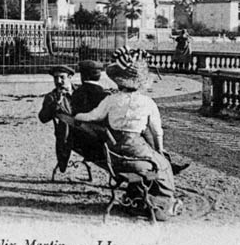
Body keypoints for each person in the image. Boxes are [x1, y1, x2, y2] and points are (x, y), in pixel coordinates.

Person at [74, 47, 178, 220]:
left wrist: (77, 116)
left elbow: (93, 116)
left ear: (119, 81)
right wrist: (159, 150)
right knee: (163, 166)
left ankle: (136, 196)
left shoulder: (111, 99)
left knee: (149, 163)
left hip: (114, 154)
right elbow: (157, 131)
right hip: (136, 152)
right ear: (141, 82)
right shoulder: (147, 102)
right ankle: (159, 204)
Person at [38, 65, 77, 172]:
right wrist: (57, 103)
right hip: (67, 135)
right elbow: (43, 118)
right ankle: (63, 160)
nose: (58, 81)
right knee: (64, 124)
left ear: (70, 77)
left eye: (62, 77)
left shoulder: (80, 92)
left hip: (86, 130)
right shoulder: (51, 97)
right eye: (55, 78)